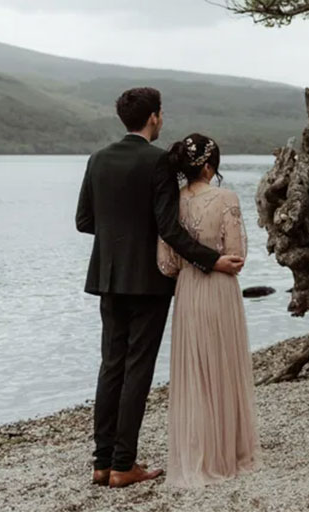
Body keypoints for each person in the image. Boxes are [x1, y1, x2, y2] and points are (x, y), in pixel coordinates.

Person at [75, 88, 243, 489]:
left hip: (108, 277)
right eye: (161, 113)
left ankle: (101, 464)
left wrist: (119, 234)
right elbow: (168, 228)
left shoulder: (97, 159)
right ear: (153, 117)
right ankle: (122, 465)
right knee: (137, 368)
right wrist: (211, 259)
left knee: (111, 364)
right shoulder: (159, 163)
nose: (162, 117)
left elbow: (84, 221)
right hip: (148, 280)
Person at [156, 133, 259, 485]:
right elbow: (237, 253)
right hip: (219, 287)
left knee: (195, 373)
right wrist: (218, 260)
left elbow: (166, 264)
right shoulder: (226, 198)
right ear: (211, 165)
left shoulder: (174, 201)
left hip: (187, 289)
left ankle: (198, 451)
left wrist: (189, 266)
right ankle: (228, 453)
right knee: (222, 367)